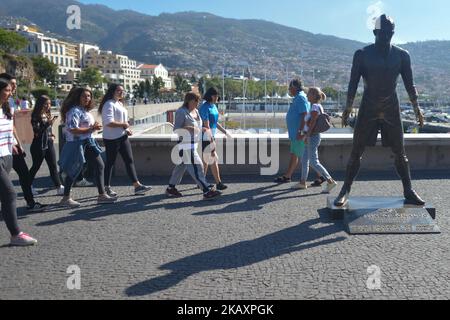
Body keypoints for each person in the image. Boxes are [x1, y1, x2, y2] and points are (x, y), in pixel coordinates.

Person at [335, 14, 425, 207]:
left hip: (391, 108)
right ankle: (345, 189)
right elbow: (353, 83)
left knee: (400, 152)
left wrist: (417, 108)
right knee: (356, 150)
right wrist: (348, 106)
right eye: (383, 33)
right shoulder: (362, 54)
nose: (387, 36)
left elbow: (410, 84)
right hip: (368, 107)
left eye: (390, 33)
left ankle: (408, 190)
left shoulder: (402, 55)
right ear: (375, 32)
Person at [59, 87, 117, 207]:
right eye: (84, 96)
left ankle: (101, 195)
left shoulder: (84, 111)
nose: (87, 98)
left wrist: (93, 127)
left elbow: (85, 127)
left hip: (88, 142)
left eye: (89, 96)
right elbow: (72, 129)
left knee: (100, 165)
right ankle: (65, 198)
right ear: (77, 97)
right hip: (77, 144)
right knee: (73, 170)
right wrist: (91, 128)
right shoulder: (74, 111)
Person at [0, 73, 46, 213]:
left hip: (11, 146)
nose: (14, 87)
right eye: (11, 85)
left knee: (24, 174)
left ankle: (30, 202)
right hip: (3, 150)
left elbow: (11, 126)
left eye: (14, 85)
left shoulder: (10, 102)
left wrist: (18, 143)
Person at [0, 78, 38, 246]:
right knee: (9, 194)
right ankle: (16, 234)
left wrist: (15, 144)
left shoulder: (6, 107)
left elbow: (10, 127)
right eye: (7, 90)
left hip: (7, 155)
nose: (11, 92)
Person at [98, 84, 152, 197]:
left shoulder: (120, 103)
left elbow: (122, 121)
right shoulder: (109, 104)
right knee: (110, 163)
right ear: (112, 91)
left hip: (122, 136)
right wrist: (123, 124)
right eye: (118, 90)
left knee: (129, 160)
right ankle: (106, 188)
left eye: (122, 91)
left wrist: (126, 129)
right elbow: (108, 122)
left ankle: (137, 186)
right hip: (111, 138)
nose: (121, 92)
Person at [166, 92, 221, 200]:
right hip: (185, 146)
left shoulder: (196, 111)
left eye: (198, 101)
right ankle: (206, 190)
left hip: (193, 144)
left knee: (181, 167)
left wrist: (203, 129)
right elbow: (176, 129)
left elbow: (199, 126)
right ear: (189, 100)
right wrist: (189, 128)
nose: (198, 103)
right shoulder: (181, 112)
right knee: (198, 167)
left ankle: (170, 188)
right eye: (196, 100)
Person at [299, 87, 338, 193]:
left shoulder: (315, 107)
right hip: (311, 136)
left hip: (312, 136)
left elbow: (312, 123)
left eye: (309, 94)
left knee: (313, 162)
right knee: (304, 160)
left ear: (313, 95)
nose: (307, 96)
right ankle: (302, 182)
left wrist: (307, 135)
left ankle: (330, 181)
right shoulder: (315, 106)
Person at [274, 79, 310, 185]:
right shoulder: (299, 97)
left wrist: (300, 131)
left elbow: (305, 114)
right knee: (297, 154)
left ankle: (321, 176)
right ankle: (288, 176)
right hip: (296, 133)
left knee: (304, 156)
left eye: (290, 88)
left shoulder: (300, 98)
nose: (289, 90)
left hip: (298, 133)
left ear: (294, 88)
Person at [29, 95, 64, 195]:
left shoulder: (47, 114)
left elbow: (48, 129)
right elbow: (37, 132)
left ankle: (59, 186)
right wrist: (48, 123)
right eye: (46, 104)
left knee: (53, 165)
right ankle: (28, 186)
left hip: (49, 143)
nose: (48, 106)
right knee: (36, 166)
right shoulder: (35, 115)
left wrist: (52, 135)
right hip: (38, 145)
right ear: (40, 104)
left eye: (49, 104)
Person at [199, 87, 232, 191]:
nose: (217, 97)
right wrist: (211, 139)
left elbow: (215, 123)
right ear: (211, 96)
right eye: (216, 95)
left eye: (217, 95)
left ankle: (201, 181)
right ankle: (218, 183)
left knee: (206, 161)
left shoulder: (213, 106)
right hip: (206, 137)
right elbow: (206, 125)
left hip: (210, 136)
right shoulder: (205, 107)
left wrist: (225, 132)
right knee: (213, 159)